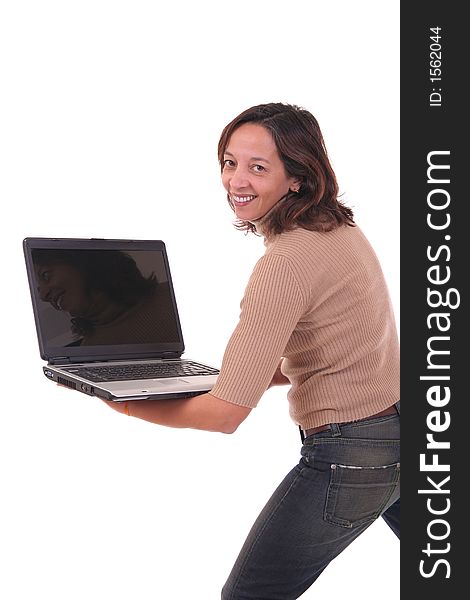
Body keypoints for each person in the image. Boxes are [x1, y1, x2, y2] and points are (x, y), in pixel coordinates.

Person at [103, 103, 400, 599]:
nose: (236, 180)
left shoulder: (286, 261)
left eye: (258, 168)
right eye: (229, 162)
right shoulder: (337, 231)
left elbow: (224, 416)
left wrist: (126, 402)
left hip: (352, 452)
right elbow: (345, 348)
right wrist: (242, 373)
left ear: (297, 178)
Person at [32, 248, 179, 345]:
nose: (44, 295)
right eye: (40, 290)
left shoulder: (172, 298)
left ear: (82, 263)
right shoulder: (90, 352)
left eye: (46, 275)